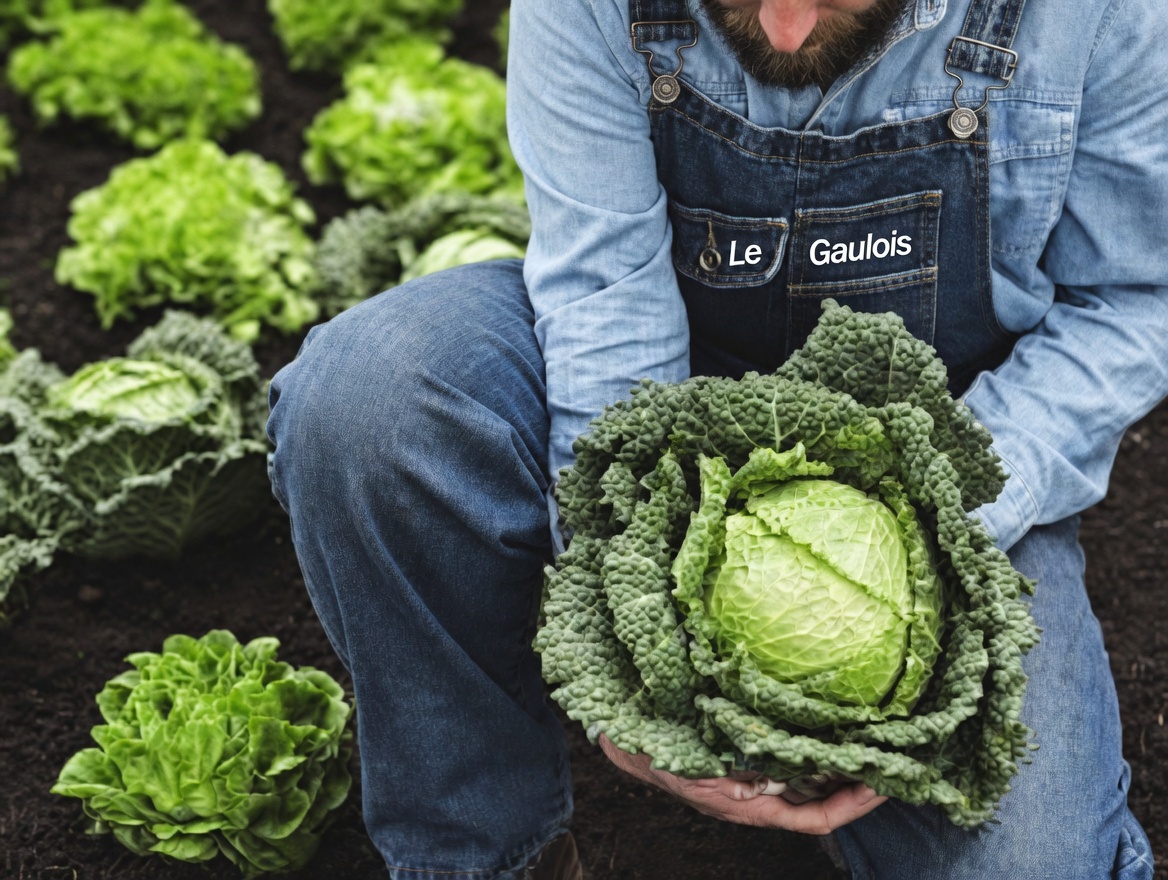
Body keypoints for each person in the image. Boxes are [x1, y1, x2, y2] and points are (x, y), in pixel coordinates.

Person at [265, 0, 1164, 876]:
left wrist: (928, 508)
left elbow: (1133, 299)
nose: (782, 26)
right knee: (372, 396)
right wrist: (634, 666)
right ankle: (486, 850)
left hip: (953, 442)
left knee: (1035, 861)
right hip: (668, 387)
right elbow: (607, 301)